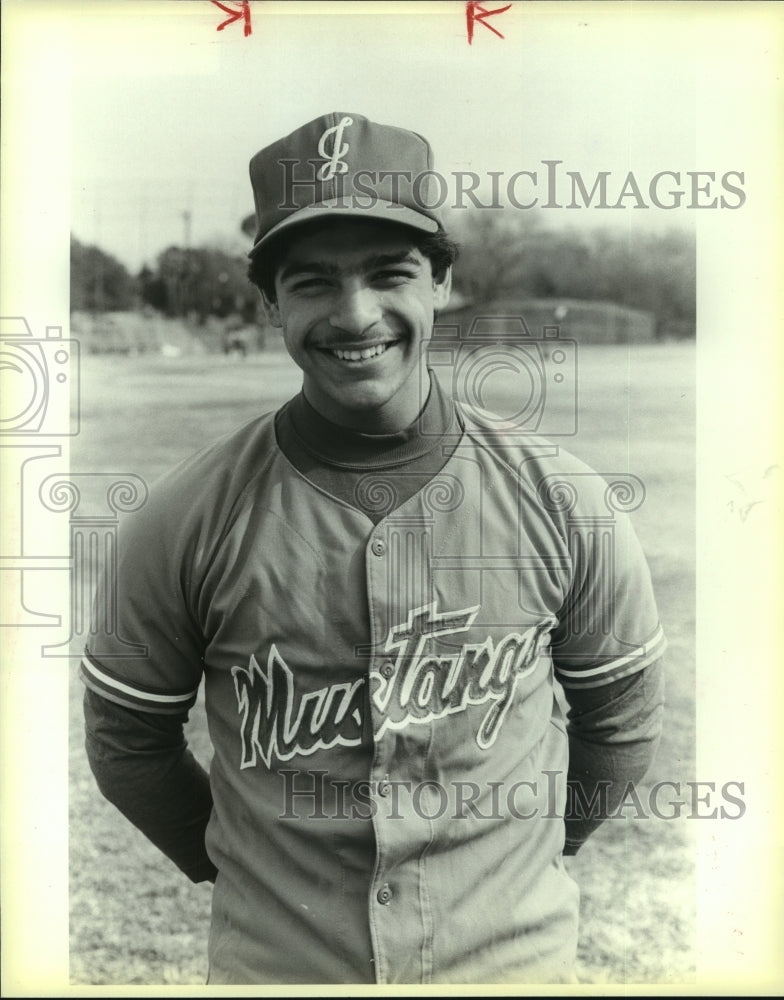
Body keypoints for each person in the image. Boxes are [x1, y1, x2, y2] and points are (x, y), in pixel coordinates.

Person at [82, 111, 666, 985]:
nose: (355, 315)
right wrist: (241, 866)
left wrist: (530, 857)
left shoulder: (565, 499)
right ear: (270, 302)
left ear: (440, 282)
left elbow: (620, 722)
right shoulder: (184, 517)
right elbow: (128, 742)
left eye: (389, 273)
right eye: (313, 282)